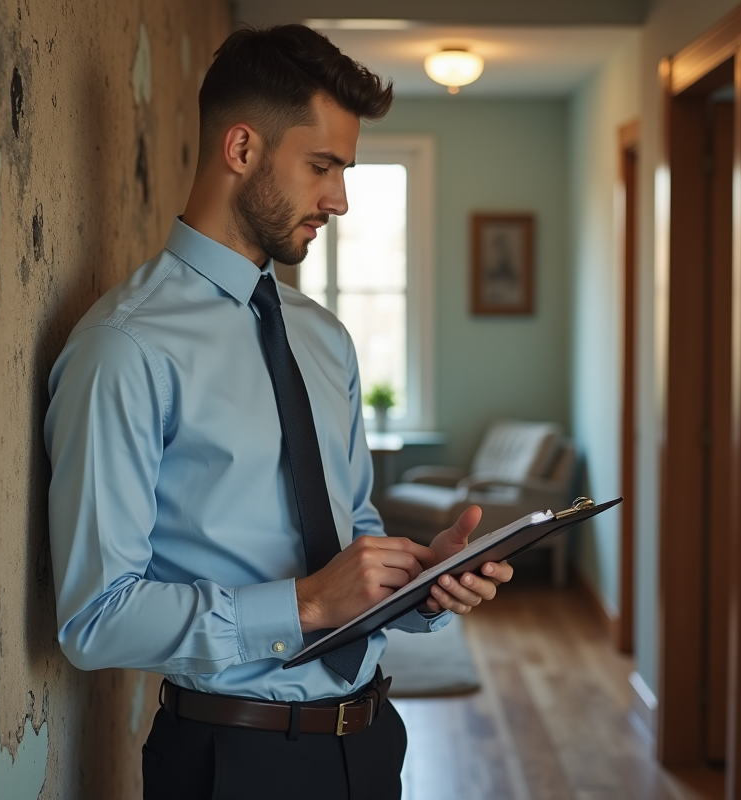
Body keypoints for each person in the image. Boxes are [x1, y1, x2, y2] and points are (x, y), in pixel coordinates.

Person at [44, 24, 513, 800]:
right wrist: (304, 604)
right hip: (231, 760)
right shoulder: (125, 348)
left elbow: (350, 526)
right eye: (321, 166)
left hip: (372, 744)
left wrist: (420, 583)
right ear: (241, 150)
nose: (340, 198)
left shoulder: (326, 340)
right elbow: (95, 619)